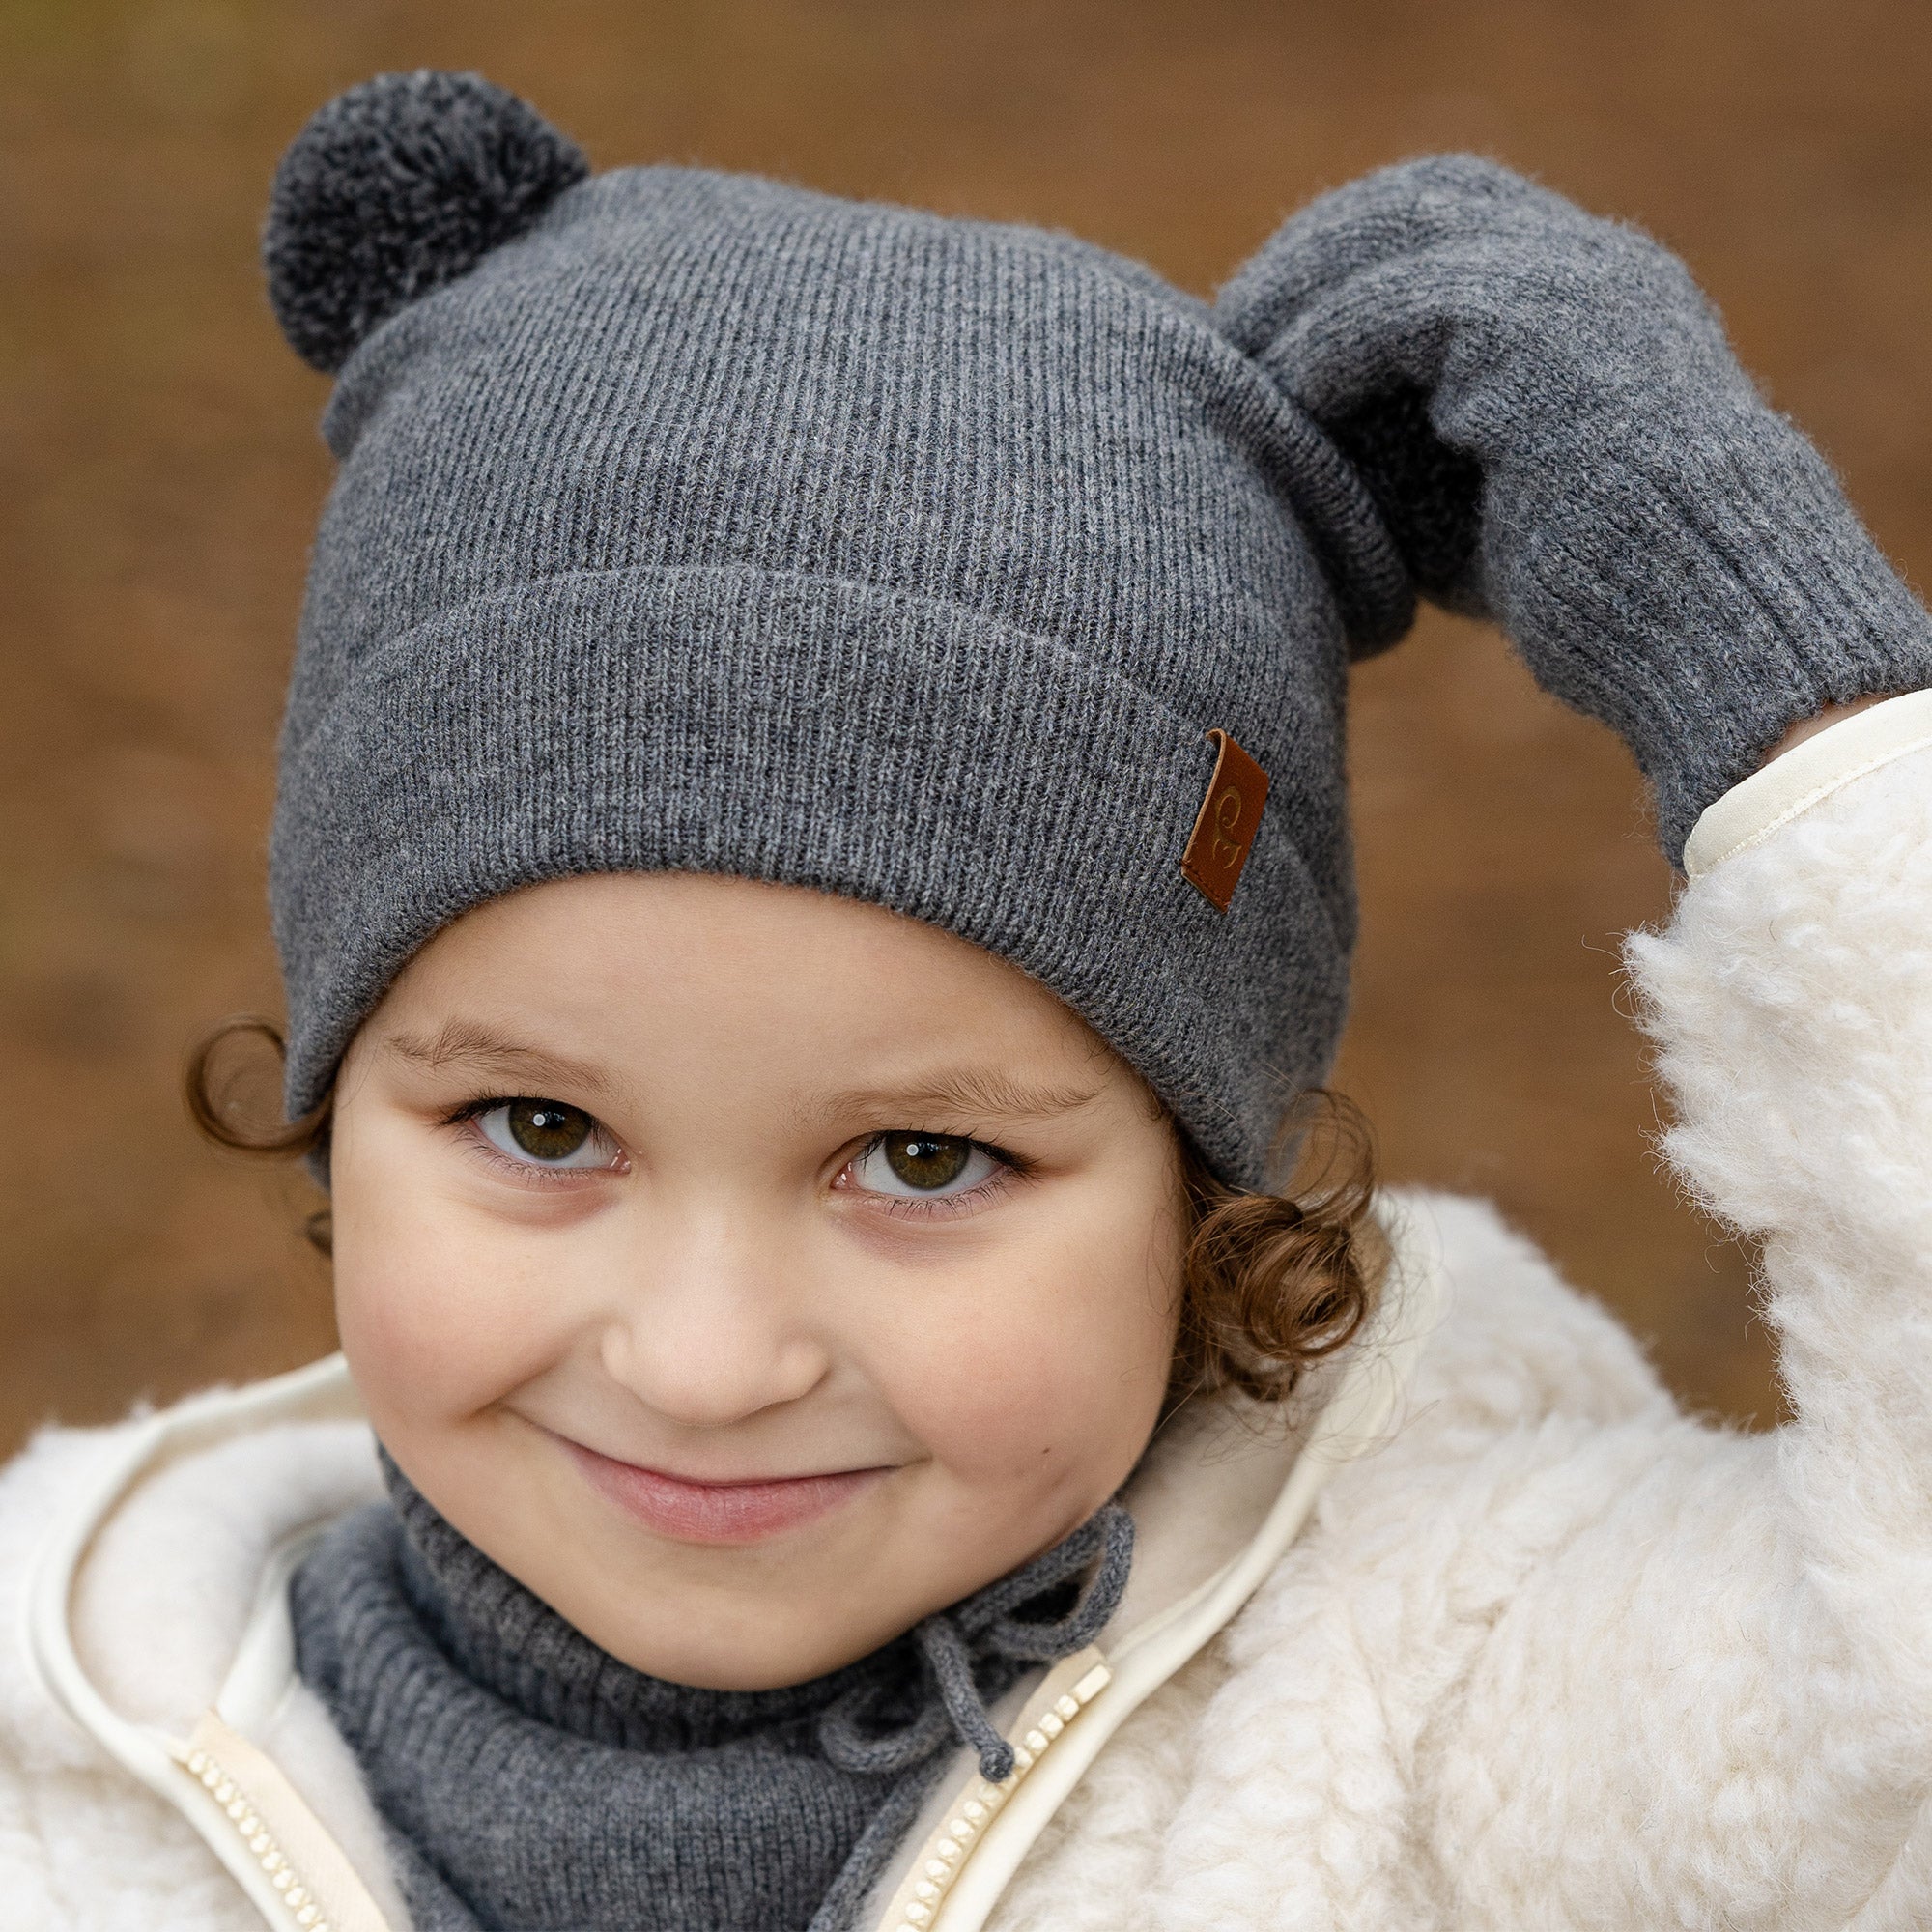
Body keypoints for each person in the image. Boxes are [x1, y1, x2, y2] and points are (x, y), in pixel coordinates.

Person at [4, 68, 1931, 1932]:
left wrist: (1809, 729)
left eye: (921, 1157)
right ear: (342, 1098)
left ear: (1201, 1204)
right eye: (541, 1128)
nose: (702, 1360)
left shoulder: (1443, 1691)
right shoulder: (58, 1763)